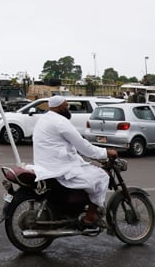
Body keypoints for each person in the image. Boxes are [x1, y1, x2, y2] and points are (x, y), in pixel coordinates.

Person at [29, 95, 117, 227]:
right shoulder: (60, 122)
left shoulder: (44, 118)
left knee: (89, 171)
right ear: (59, 107)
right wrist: (105, 152)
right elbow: (82, 145)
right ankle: (90, 216)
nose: (68, 108)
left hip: (46, 163)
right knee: (102, 176)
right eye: (66, 105)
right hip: (60, 167)